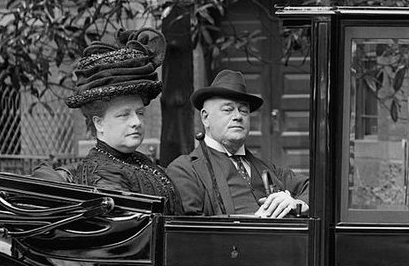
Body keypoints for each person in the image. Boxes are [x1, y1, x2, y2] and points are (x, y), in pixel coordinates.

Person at [37, 28, 181, 213]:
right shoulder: (102, 172)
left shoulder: (141, 162)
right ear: (99, 123)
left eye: (140, 113)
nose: (136, 122)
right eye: (124, 115)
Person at [167, 69, 309, 217]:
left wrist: (297, 204)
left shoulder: (268, 169)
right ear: (205, 117)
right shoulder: (185, 171)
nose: (237, 117)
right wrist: (253, 222)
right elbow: (188, 230)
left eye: (243, 111)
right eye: (228, 110)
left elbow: (317, 188)